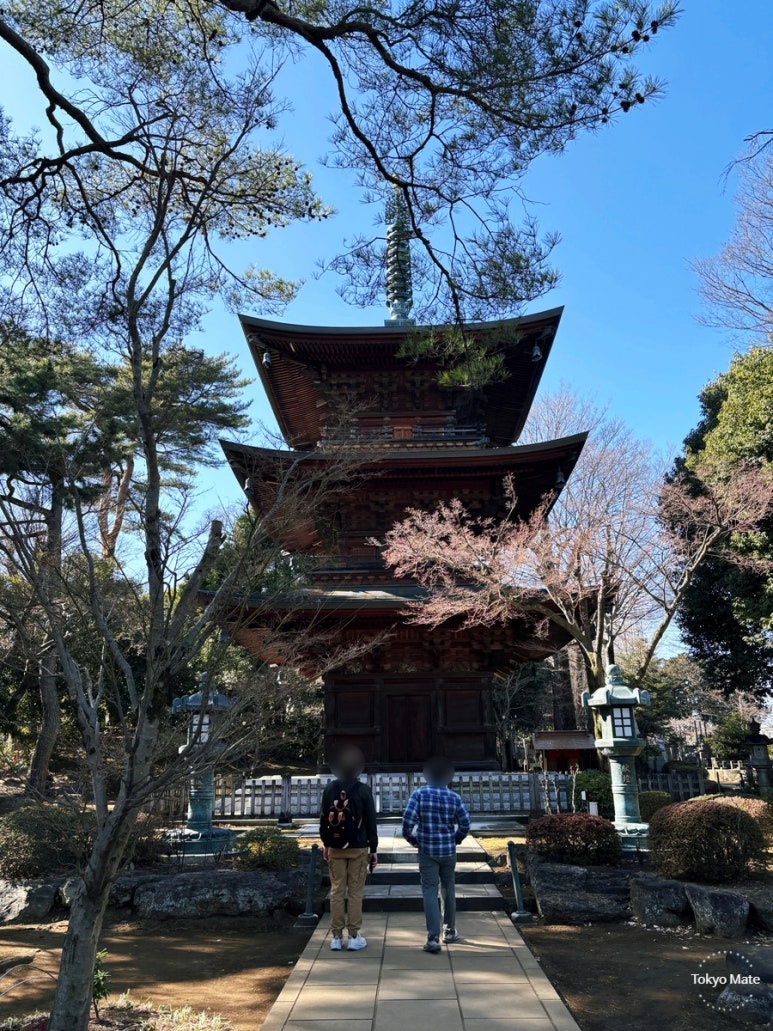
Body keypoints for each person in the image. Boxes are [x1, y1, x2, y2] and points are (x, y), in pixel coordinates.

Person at [402, 755, 471, 953]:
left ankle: (433, 939)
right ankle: (449, 931)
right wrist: (456, 838)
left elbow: (407, 822)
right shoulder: (453, 797)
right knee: (448, 888)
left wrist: (413, 839)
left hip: (428, 850)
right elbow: (465, 823)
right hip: (448, 850)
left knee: (429, 891)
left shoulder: (419, 794)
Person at [319, 745, 378, 952]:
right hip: (358, 846)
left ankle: (336, 937)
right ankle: (354, 935)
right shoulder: (362, 790)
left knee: (336, 891)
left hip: (335, 846)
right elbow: (371, 820)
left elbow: (323, 818)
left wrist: (326, 842)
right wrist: (374, 848)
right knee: (355, 892)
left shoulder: (329, 789)